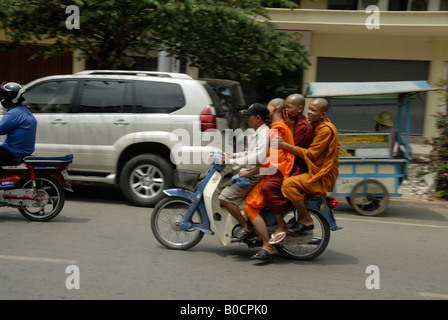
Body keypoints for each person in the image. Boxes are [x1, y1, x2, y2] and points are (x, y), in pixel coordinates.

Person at [275, 98, 339, 237]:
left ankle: (306, 218)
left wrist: (286, 145)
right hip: (314, 169)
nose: (309, 112)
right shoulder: (316, 125)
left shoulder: (326, 130)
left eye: (313, 110)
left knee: (288, 185)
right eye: (309, 109)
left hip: (321, 175)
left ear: (323, 114)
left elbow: (312, 154)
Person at [243, 98, 295, 260]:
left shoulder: (276, 130)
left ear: (275, 108)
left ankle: (268, 245)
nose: (266, 111)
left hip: (275, 174)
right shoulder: (279, 128)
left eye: (268, 107)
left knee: (249, 207)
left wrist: (251, 172)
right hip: (274, 171)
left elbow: (272, 161)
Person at [267, 93, 314, 245]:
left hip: (298, 169)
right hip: (291, 165)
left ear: (300, 108)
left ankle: (282, 224)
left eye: (289, 107)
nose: (285, 110)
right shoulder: (293, 124)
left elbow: (294, 149)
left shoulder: (303, 127)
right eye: (285, 107)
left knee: (268, 187)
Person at [218, 103, 270, 241]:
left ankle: (245, 227)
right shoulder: (257, 132)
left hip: (254, 175)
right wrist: (232, 155)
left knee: (224, 198)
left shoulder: (264, 133)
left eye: (249, 116)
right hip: (250, 171)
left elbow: (259, 156)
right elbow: (249, 153)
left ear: (258, 118)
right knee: (223, 188)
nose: (247, 119)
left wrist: (232, 162)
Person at [0, 82, 37, 165]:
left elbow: (0, 129)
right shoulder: (23, 111)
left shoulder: (14, 113)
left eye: (4, 96)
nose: (2, 98)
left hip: (14, 151)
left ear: (10, 97)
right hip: (20, 149)